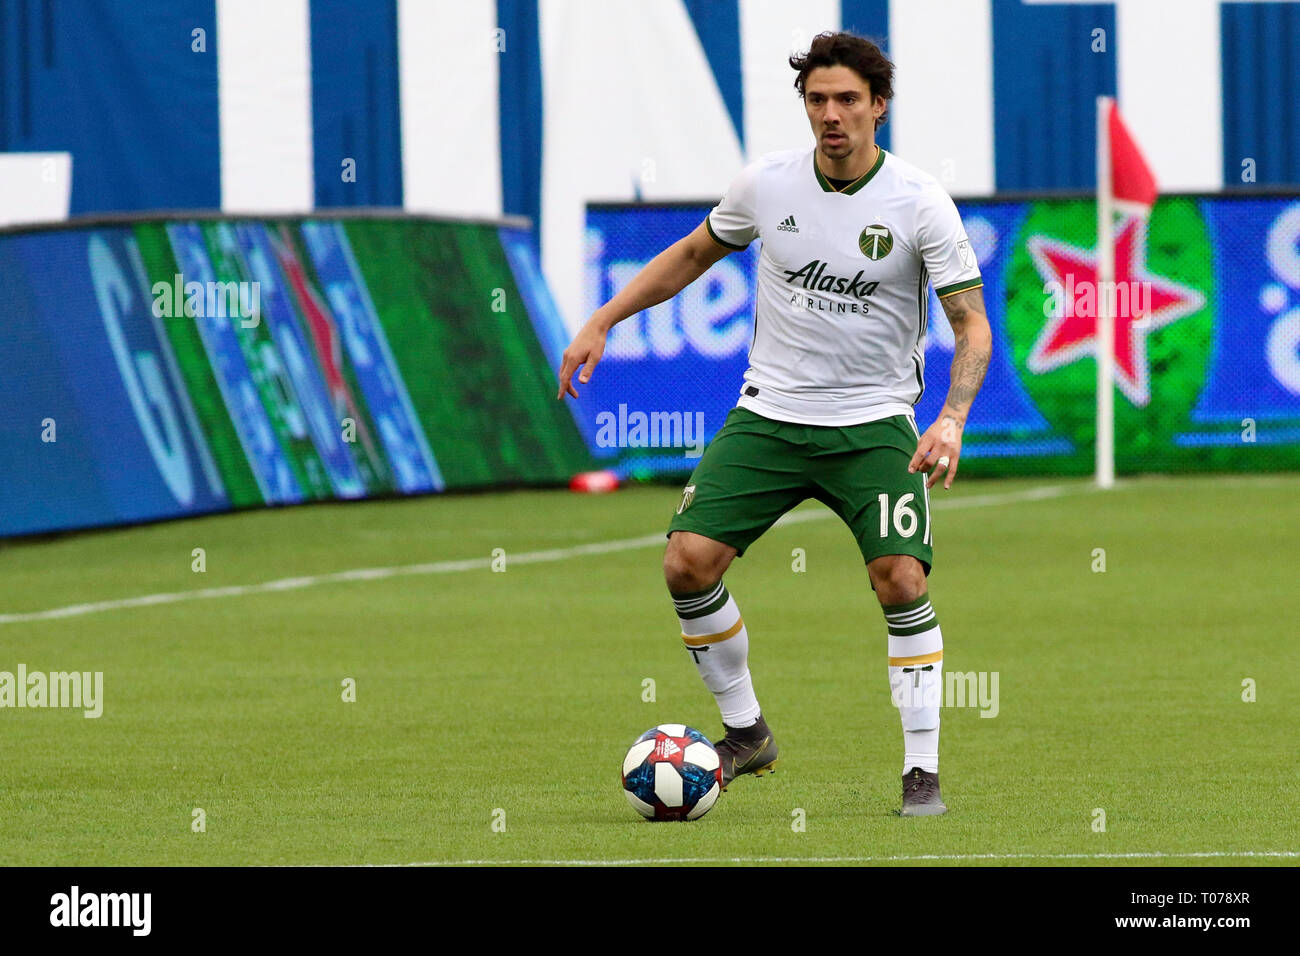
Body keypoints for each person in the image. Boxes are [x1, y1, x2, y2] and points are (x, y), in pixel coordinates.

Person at [557, 31, 992, 816]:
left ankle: (921, 772)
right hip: (770, 415)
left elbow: (972, 325)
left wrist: (952, 416)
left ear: (878, 108)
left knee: (901, 579)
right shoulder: (767, 186)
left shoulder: (921, 201)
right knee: (687, 563)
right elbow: (693, 254)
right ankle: (746, 732)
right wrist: (605, 317)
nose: (831, 115)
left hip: (873, 423)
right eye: (818, 100)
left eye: (848, 100)